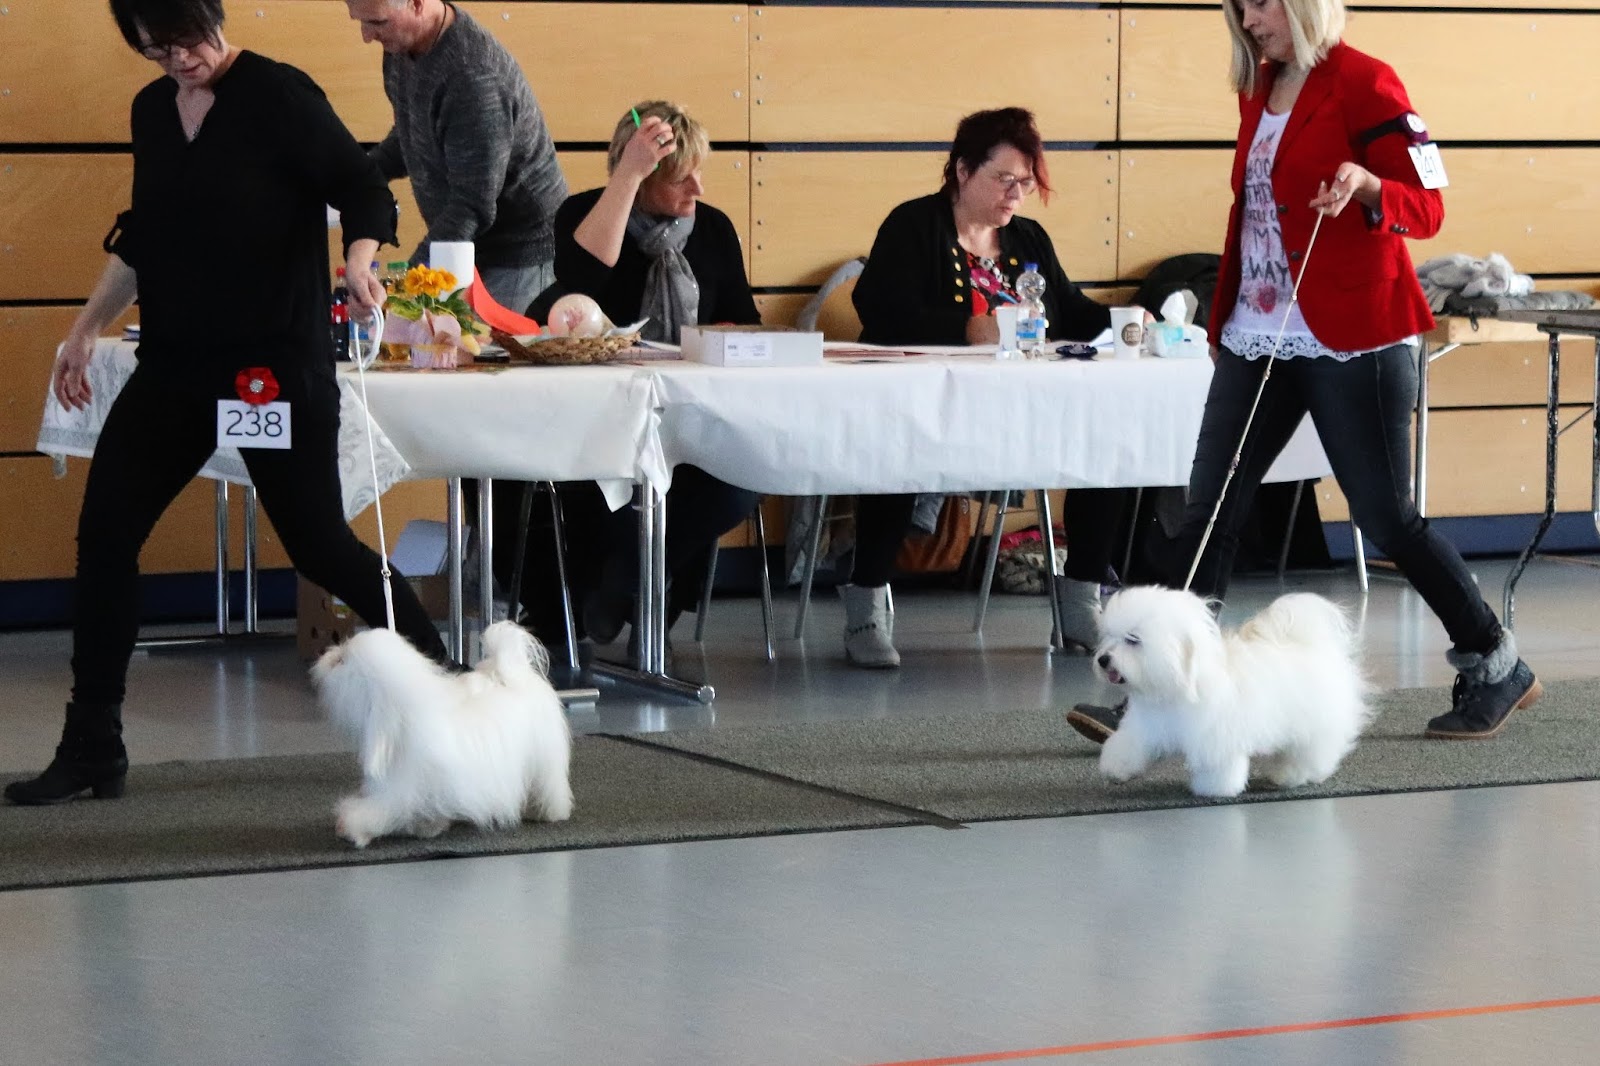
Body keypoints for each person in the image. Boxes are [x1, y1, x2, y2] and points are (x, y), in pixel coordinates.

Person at [5, 0, 451, 807]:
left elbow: (364, 190)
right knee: (104, 536)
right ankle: (93, 743)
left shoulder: (279, 94)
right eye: (156, 51)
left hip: (271, 368)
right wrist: (83, 330)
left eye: (186, 40)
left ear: (211, 15)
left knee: (321, 548)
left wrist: (359, 261)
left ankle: (447, 693)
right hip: (176, 366)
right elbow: (144, 236)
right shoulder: (152, 111)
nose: (179, 60)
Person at [1068, 0, 1540, 745]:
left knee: (1386, 519)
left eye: (1261, 4)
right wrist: (1224, 320)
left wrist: (1370, 185)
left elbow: (1427, 208)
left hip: (1355, 335)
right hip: (1257, 331)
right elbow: (1251, 213)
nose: (1249, 20)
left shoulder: (1368, 82)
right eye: (1239, 7)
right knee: (1208, 514)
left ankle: (1494, 661)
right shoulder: (1256, 88)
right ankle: (1157, 700)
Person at [846, 107, 1133, 669]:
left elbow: (1070, 310)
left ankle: (1082, 600)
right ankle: (866, 607)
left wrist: (1128, 319)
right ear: (962, 171)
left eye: (1025, 182)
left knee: (1106, 442)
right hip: (928, 406)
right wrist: (966, 329)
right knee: (892, 453)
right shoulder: (913, 225)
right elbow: (878, 310)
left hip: (1020, 409)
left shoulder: (1027, 238)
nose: (1016, 195)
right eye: (1004, 179)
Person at [539, 101, 760, 650]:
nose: (698, 189)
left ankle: (633, 583)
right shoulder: (583, 214)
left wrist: (721, 335)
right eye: (681, 178)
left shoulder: (713, 228)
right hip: (601, 417)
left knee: (741, 484)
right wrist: (627, 178)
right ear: (640, 175)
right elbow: (582, 280)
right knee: (593, 492)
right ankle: (631, 589)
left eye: (699, 172)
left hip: (692, 413)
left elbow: (745, 322)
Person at [345, 0, 567, 313]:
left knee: (489, 346)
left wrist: (405, 288)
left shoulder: (474, 76)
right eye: (360, 21)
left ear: (417, 4)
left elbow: (472, 204)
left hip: (520, 257)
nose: (367, 36)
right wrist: (360, 173)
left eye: (378, 23)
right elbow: (414, 129)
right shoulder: (401, 46)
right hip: (469, 244)